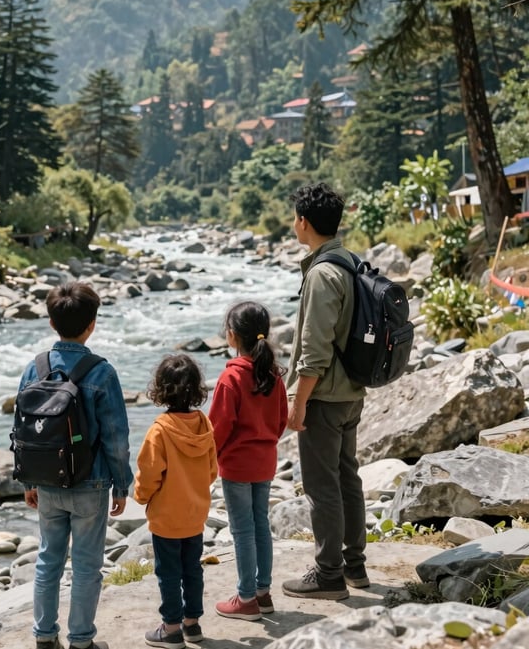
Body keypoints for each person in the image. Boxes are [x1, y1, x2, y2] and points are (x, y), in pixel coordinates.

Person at [20, 282, 134, 649]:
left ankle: (44, 637)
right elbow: (116, 437)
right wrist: (121, 484)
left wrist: (28, 480)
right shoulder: (101, 372)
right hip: (91, 482)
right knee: (86, 566)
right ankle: (81, 641)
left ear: (51, 323)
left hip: (47, 482)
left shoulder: (34, 368)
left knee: (47, 561)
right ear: (93, 324)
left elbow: (23, 431)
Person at [281, 182, 368, 601]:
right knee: (348, 476)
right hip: (352, 391)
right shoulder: (350, 262)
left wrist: (298, 404)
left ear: (304, 222)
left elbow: (313, 353)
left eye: (295, 217)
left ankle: (329, 572)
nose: (293, 223)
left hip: (326, 397)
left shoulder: (321, 274)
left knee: (322, 486)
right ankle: (355, 565)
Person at [208, 301, 288, 621]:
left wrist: (209, 459)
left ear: (231, 337)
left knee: (242, 531)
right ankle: (263, 593)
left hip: (238, 466)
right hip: (265, 461)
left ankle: (245, 599)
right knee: (260, 526)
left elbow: (218, 427)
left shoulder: (231, 379)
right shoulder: (273, 374)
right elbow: (281, 419)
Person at [134, 354, 218, 649]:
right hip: (195, 514)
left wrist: (141, 497)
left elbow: (148, 474)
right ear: (197, 389)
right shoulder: (204, 424)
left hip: (167, 518)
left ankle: (171, 629)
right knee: (192, 568)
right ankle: (192, 625)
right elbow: (211, 470)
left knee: (168, 573)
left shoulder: (159, 430)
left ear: (160, 389)